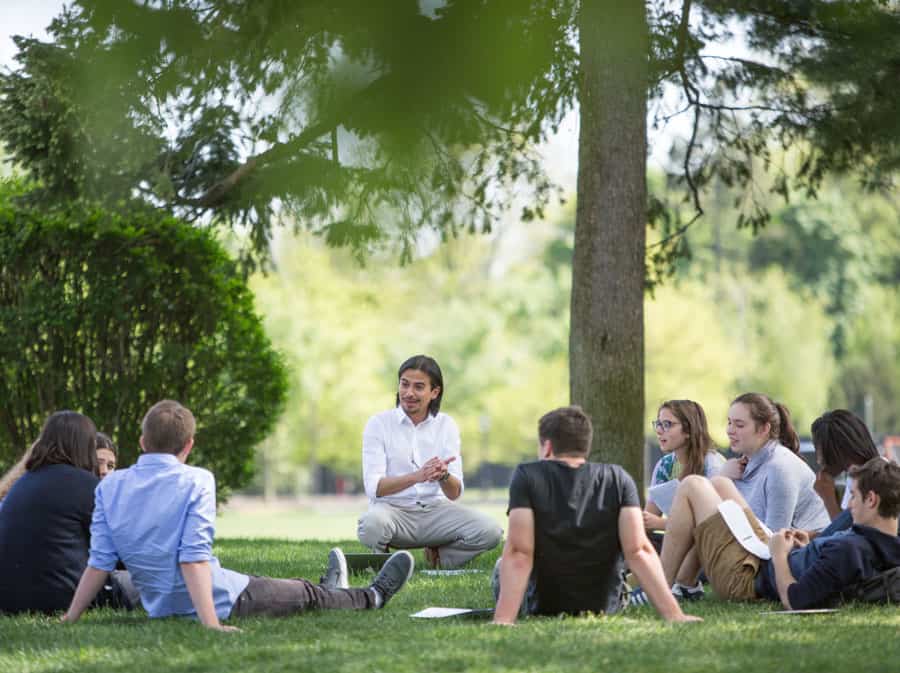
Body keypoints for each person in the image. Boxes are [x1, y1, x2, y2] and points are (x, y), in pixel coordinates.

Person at [62, 400, 414, 631]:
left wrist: (70, 618)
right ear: (188, 446)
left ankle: (329, 589)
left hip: (168, 601)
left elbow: (100, 562)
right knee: (304, 595)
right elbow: (193, 560)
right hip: (220, 599)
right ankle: (372, 597)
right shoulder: (196, 480)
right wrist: (211, 623)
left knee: (260, 581)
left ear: (142, 442)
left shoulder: (110, 487)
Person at [492, 406, 700, 625]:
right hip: (607, 606)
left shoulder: (528, 476)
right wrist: (674, 615)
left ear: (547, 447)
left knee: (500, 566)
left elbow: (519, 552)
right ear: (585, 446)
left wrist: (503, 620)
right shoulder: (618, 477)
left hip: (544, 605)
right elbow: (638, 550)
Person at [659, 457, 900, 609]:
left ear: (871, 499)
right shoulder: (880, 544)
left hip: (747, 578)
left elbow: (794, 600)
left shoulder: (851, 550)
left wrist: (779, 555)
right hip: (764, 553)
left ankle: (656, 588)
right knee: (721, 484)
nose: (848, 506)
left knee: (693, 485)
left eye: (854, 497)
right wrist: (806, 549)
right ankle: (686, 585)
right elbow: (829, 571)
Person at [357, 355, 502, 569]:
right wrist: (418, 476)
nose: (408, 393)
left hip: (435, 510)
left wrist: (443, 475)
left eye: (418, 387)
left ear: (434, 392)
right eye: (404, 384)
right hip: (393, 511)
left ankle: (441, 558)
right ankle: (386, 564)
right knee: (371, 525)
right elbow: (374, 488)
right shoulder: (379, 424)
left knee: (491, 531)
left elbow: (454, 493)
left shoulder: (446, 425)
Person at [0, 412, 101, 614]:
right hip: (62, 597)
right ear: (86, 446)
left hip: (8, 600)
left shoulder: (20, 484)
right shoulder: (86, 485)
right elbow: (111, 548)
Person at [719, 393, 830, 533]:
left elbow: (775, 537)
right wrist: (724, 475)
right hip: (755, 545)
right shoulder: (739, 466)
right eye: (729, 422)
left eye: (739, 425)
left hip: (791, 551)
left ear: (764, 429)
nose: (729, 431)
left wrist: (721, 480)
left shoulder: (780, 467)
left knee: (700, 485)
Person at [643, 399, 725, 534]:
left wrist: (662, 523)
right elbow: (649, 518)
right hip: (677, 540)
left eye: (667, 424)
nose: (658, 430)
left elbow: (717, 523)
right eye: (658, 424)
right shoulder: (665, 465)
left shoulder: (712, 464)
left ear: (688, 430)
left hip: (706, 545)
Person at [810, 410, 880, 534]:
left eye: (821, 451)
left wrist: (828, 498)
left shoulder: (875, 478)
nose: (820, 461)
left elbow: (845, 535)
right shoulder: (854, 476)